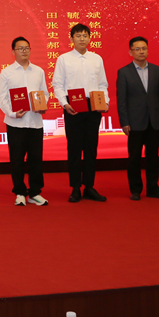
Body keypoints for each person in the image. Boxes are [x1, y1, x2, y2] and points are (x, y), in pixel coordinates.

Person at [52, 23, 110, 203]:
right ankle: (76, 188)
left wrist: (105, 102)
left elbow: (103, 84)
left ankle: (90, 187)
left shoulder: (97, 59)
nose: (82, 39)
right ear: (72, 39)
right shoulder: (63, 59)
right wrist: (65, 103)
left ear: (90, 38)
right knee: (75, 148)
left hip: (93, 105)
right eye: (78, 36)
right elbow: (57, 84)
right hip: (73, 105)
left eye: (85, 35)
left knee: (91, 148)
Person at [116, 36, 159, 201]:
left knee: (153, 157)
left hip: (155, 120)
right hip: (135, 122)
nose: (141, 51)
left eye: (144, 48)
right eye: (137, 49)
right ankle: (135, 190)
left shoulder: (156, 70)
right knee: (134, 158)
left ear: (148, 50)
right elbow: (121, 100)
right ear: (130, 52)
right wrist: (124, 122)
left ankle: (153, 188)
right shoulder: (124, 72)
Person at [0, 37, 49, 206]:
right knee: (17, 159)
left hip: (35, 122)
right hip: (15, 124)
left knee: (36, 159)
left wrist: (42, 106)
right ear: (13, 52)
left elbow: (44, 93)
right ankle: (19, 192)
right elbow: (3, 98)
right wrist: (12, 113)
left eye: (27, 48)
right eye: (20, 48)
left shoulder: (38, 71)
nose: (24, 51)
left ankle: (35, 193)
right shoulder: (6, 73)